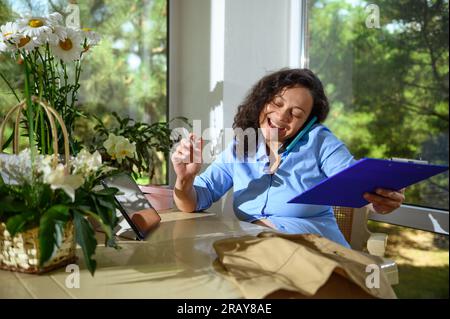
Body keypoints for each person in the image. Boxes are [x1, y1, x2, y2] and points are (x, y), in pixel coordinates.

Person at [171, 68, 405, 248]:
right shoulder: (240, 146)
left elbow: (355, 180)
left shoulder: (320, 141)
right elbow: (191, 202)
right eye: (277, 103)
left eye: (296, 113)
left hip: (316, 251)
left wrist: (382, 197)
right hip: (261, 251)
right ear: (262, 102)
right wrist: (185, 180)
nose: (281, 116)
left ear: (307, 122)